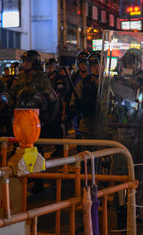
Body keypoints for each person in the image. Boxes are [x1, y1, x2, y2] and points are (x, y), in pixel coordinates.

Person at [11, 50, 58, 193]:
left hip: (34, 120)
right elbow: (13, 94)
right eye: (24, 61)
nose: (24, 64)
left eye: (27, 61)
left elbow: (52, 98)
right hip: (20, 119)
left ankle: (38, 181)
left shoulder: (42, 79)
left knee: (36, 151)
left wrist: (48, 117)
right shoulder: (20, 78)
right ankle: (26, 177)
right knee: (20, 150)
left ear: (35, 63)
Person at [70, 53, 100, 140]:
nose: (97, 68)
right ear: (90, 68)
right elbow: (73, 102)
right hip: (87, 124)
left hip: (104, 125)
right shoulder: (82, 83)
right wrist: (80, 105)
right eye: (93, 66)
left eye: (98, 65)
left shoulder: (109, 83)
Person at [68, 51, 89, 139]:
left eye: (85, 63)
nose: (83, 65)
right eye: (81, 63)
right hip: (77, 112)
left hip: (89, 113)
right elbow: (69, 94)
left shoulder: (93, 78)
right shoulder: (74, 78)